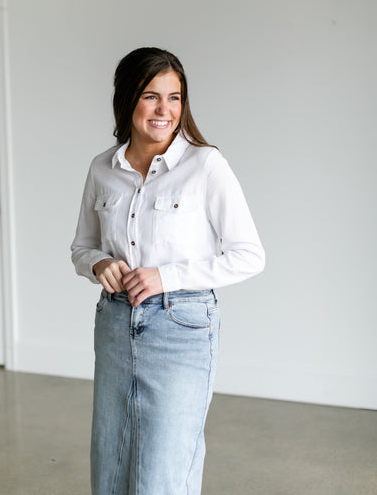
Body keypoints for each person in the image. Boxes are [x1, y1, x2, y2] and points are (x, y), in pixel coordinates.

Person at [71, 47, 265, 495]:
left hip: (182, 326)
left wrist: (167, 276)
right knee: (111, 466)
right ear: (126, 99)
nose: (165, 110)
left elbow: (249, 254)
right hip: (116, 322)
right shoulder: (103, 168)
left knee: (163, 473)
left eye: (175, 98)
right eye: (151, 96)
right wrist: (99, 262)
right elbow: (82, 246)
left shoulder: (205, 164)